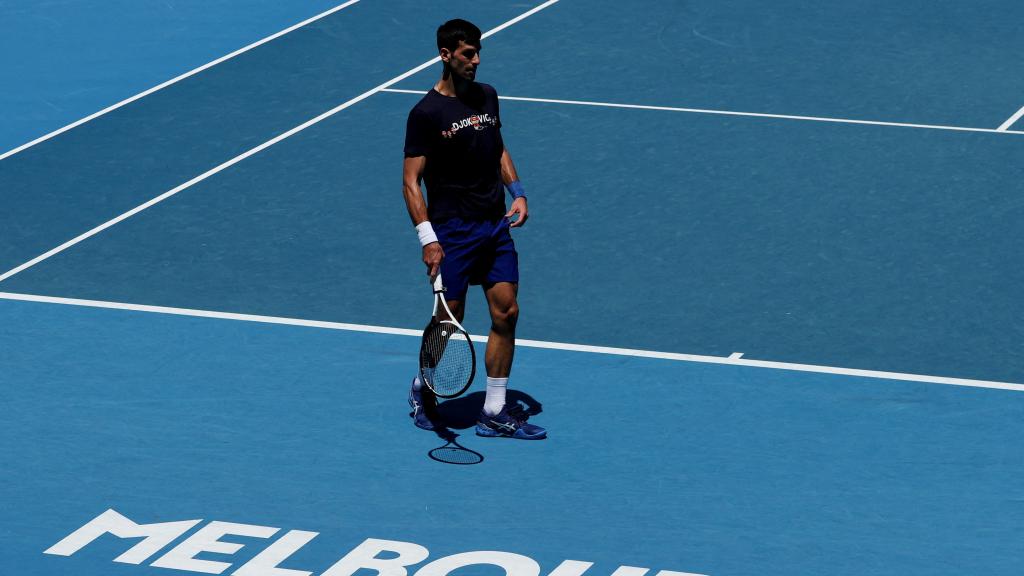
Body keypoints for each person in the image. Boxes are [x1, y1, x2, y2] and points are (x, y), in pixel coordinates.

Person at [402, 18, 546, 440]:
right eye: (467, 53)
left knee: (507, 311)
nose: (476, 60)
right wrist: (428, 238)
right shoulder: (425, 113)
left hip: (494, 224)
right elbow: (411, 181)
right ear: (445, 55)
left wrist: (516, 191)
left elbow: (497, 145)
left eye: (478, 52)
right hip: (453, 230)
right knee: (451, 322)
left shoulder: (487, 96)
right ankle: (422, 390)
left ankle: (495, 410)